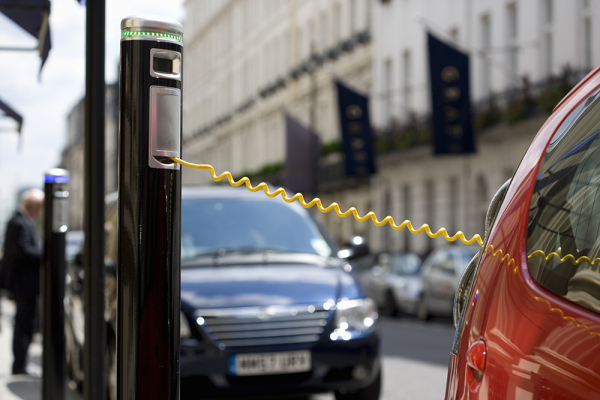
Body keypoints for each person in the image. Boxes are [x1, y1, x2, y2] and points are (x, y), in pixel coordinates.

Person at [2, 188, 44, 375]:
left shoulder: (21, 221)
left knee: (26, 325)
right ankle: (19, 365)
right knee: (23, 326)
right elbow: (24, 252)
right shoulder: (18, 222)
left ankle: (21, 363)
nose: (40, 212)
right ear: (30, 205)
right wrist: (46, 252)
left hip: (27, 285)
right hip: (24, 286)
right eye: (39, 207)